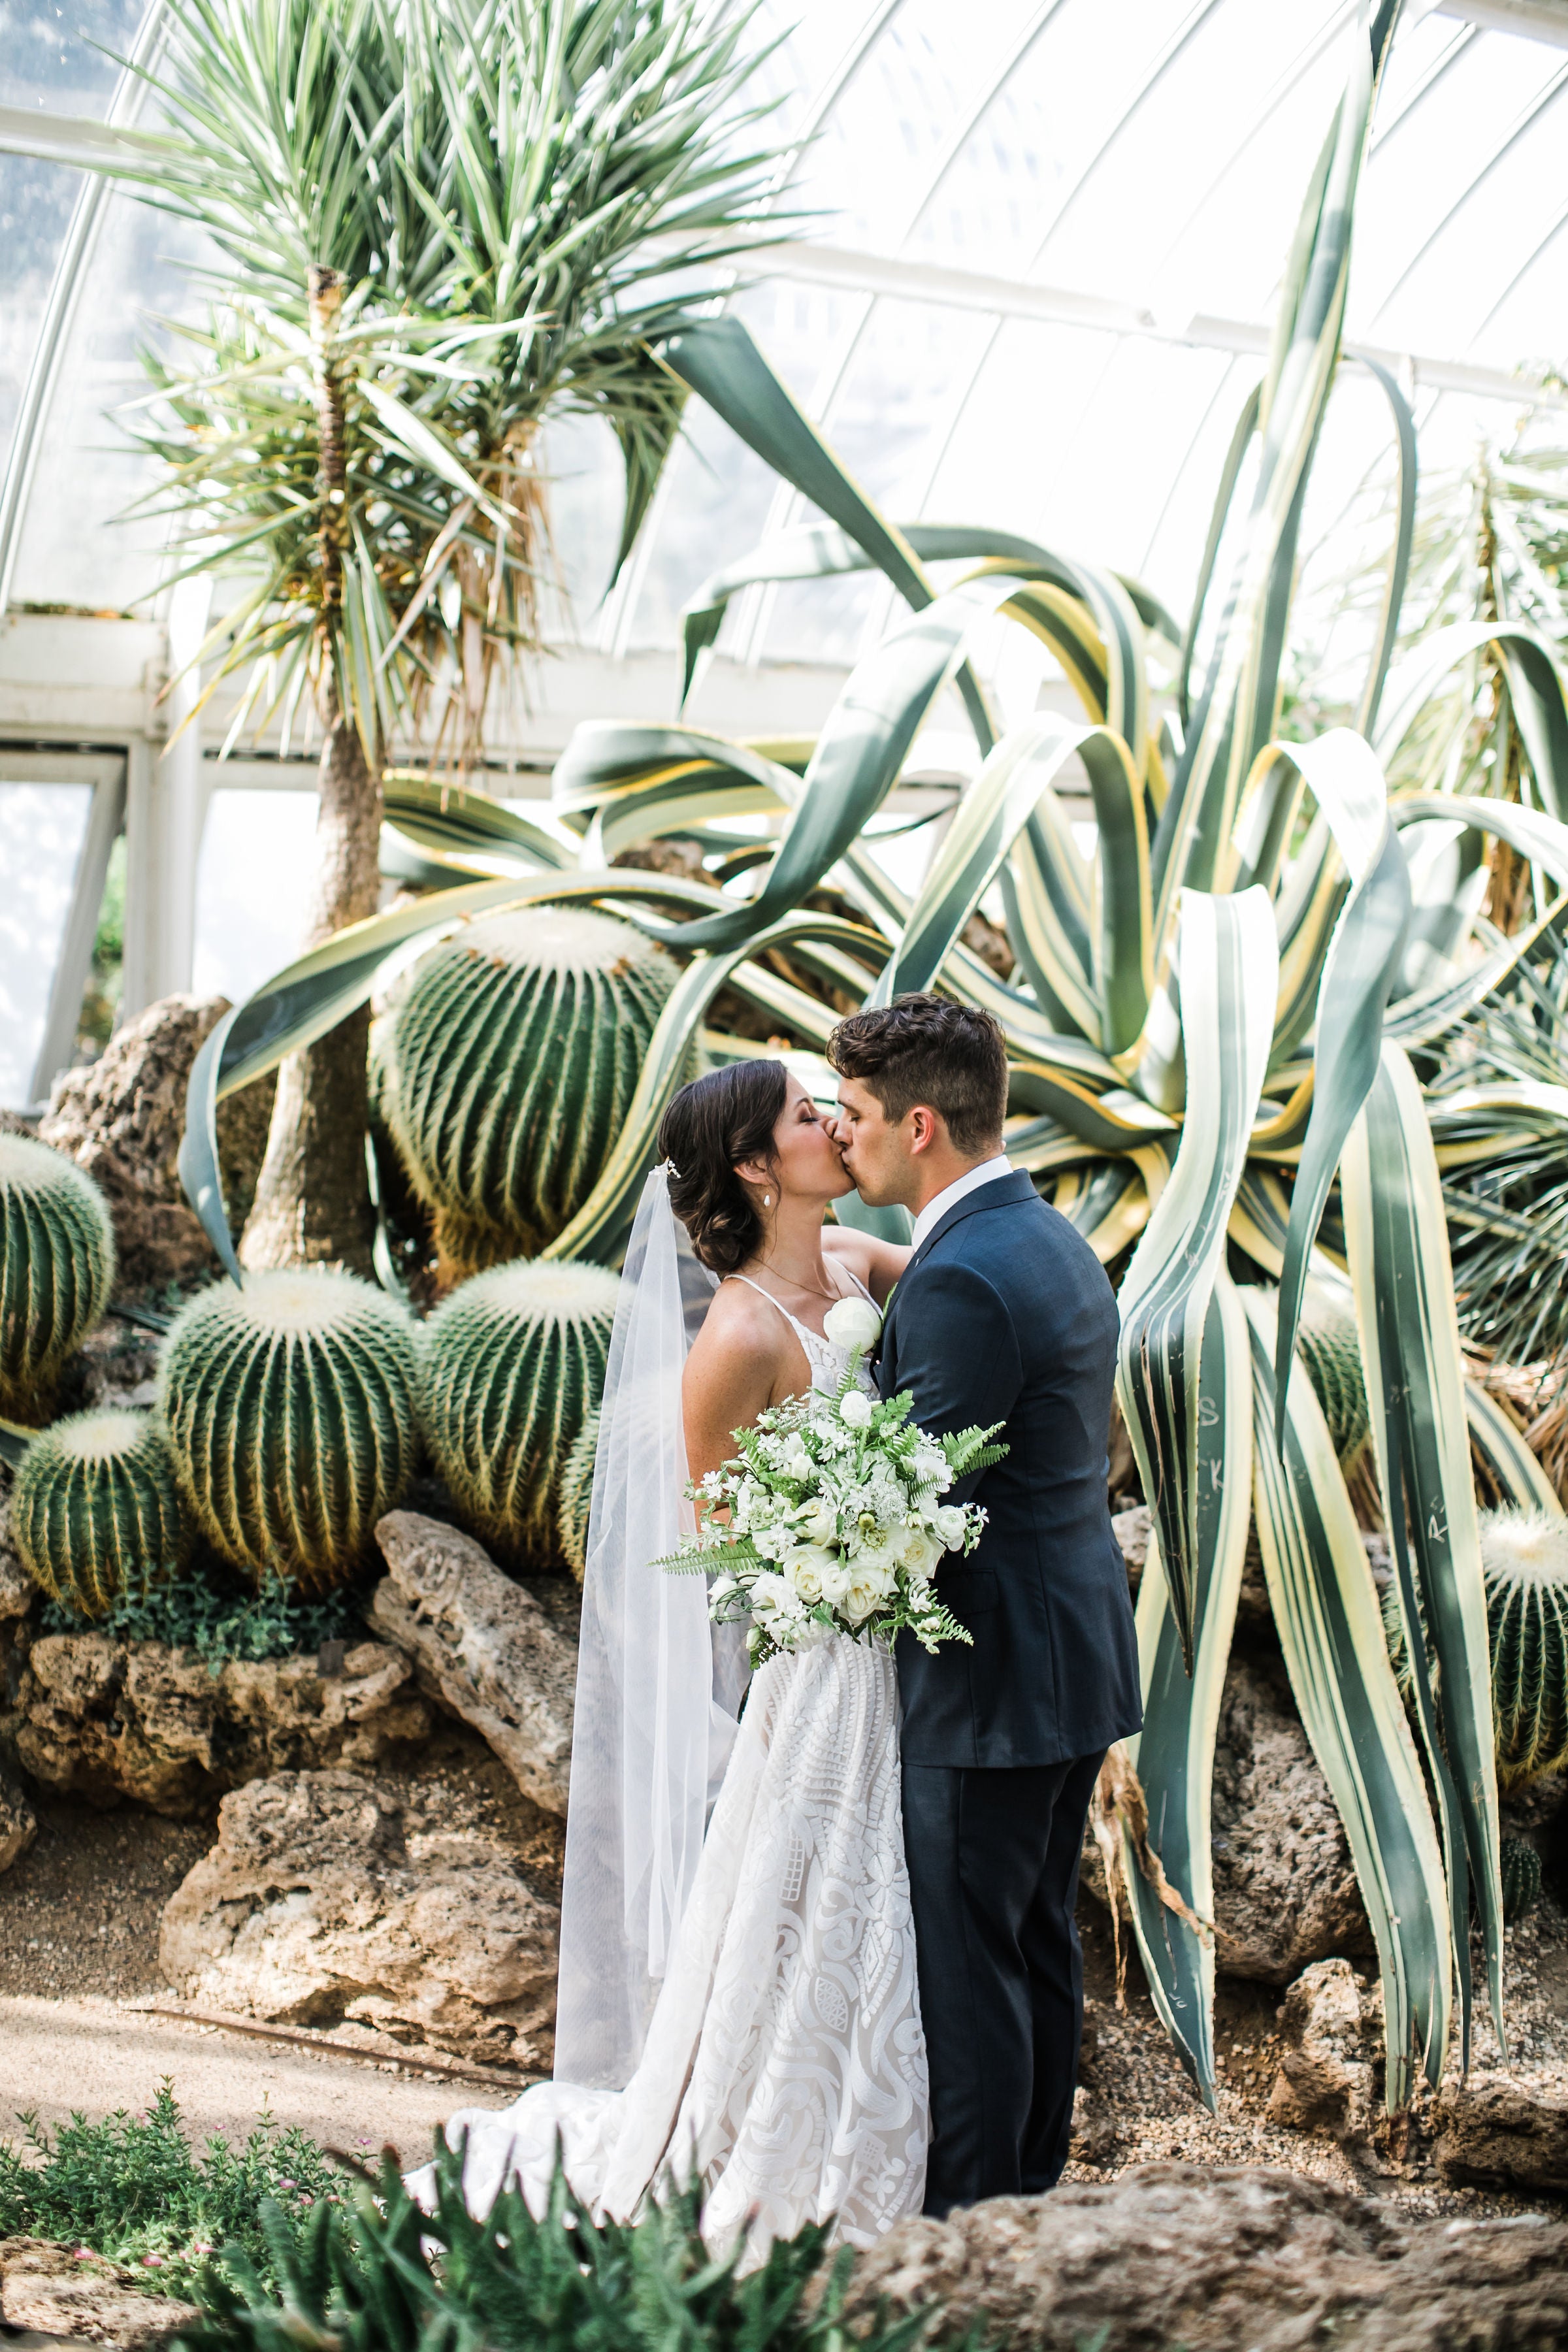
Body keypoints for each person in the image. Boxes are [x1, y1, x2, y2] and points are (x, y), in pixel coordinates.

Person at [412, 1058, 921, 2256]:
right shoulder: (737, 1335)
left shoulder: (852, 1266)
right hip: (826, 1657)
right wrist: (855, 1549)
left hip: (898, 1645)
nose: (835, 1128)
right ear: (755, 1165)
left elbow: (951, 1270)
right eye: (810, 1117)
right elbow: (723, 1541)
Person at [826, 992, 1142, 2217]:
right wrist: (882, 1265)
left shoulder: (963, 1284)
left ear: (918, 1128)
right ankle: (1038, 2194)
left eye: (854, 1117)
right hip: (1070, 1654)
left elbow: (907, 1506)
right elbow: (983, 1325)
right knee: (1034, 1944)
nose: (841, 1137)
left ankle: (975, 2236)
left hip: (989, 1679)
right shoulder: (1041, 1235)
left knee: (970, 1969)